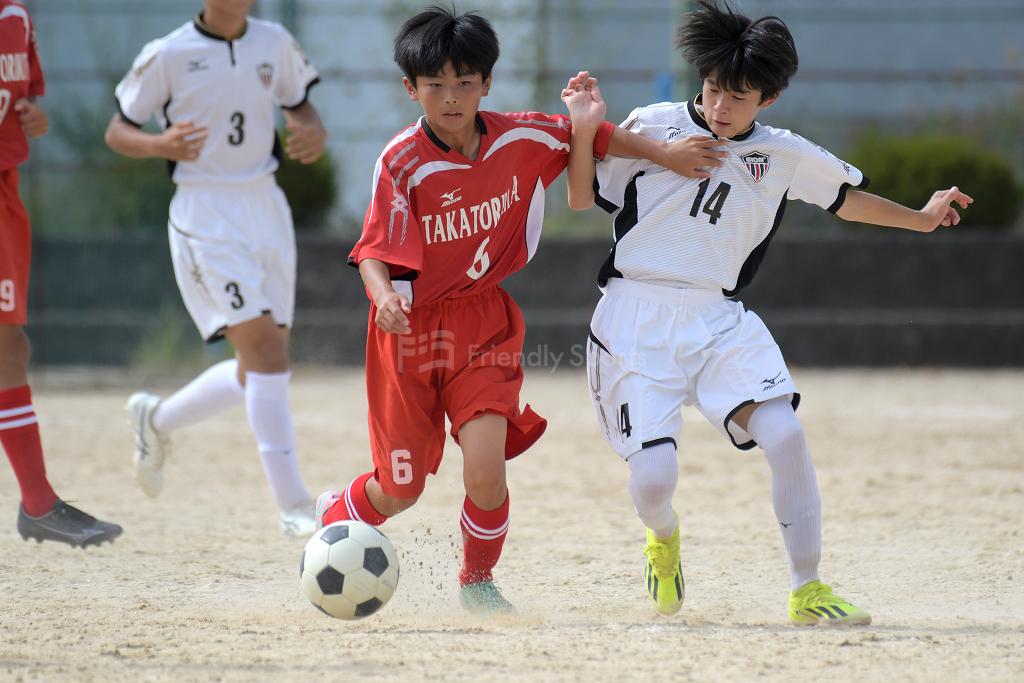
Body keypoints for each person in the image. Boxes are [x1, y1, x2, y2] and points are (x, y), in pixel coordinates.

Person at [564, 0, 972, 625]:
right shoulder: (654, 124)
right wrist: (583, 128)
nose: (722, 108)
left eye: (740, 98)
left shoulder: (782, 156)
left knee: (785, 434)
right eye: (714, 91)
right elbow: (581, 192)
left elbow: (847, 200)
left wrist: (920, 218)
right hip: (633, 317)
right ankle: (663, 540)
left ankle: (807, 589)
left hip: (719, 319)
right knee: (653, 478)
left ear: (769, 101)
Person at [316, 5, 712, 614]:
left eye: (465, 83)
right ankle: (335, 515)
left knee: (485, 467)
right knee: (399, 490)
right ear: (410, 88)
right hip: (409, 330)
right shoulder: (400, 162)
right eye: (436, 86)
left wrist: (669, 156)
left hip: (483, 322)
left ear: (487, 84)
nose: (451, 98)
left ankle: (476, 581)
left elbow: (595, 137)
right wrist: (382, 293)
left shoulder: (520, 137)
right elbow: (372, 249)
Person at [105, 0, 327, 536]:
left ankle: (155, 421)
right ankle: (295, 506)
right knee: (267, 355)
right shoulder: (168, 53)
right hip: (205, 211)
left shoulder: (274, 41)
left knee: (260, 365)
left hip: (266, 207)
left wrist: (310, 130)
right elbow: (118, 130)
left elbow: (300, 107)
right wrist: (160, 143)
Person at [0, 0, 123, 547]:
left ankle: (38, 503)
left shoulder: (16, 17)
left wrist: (31, 119)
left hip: (5, 189)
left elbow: (24, 104)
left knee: (8, 346)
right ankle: (38, 501)